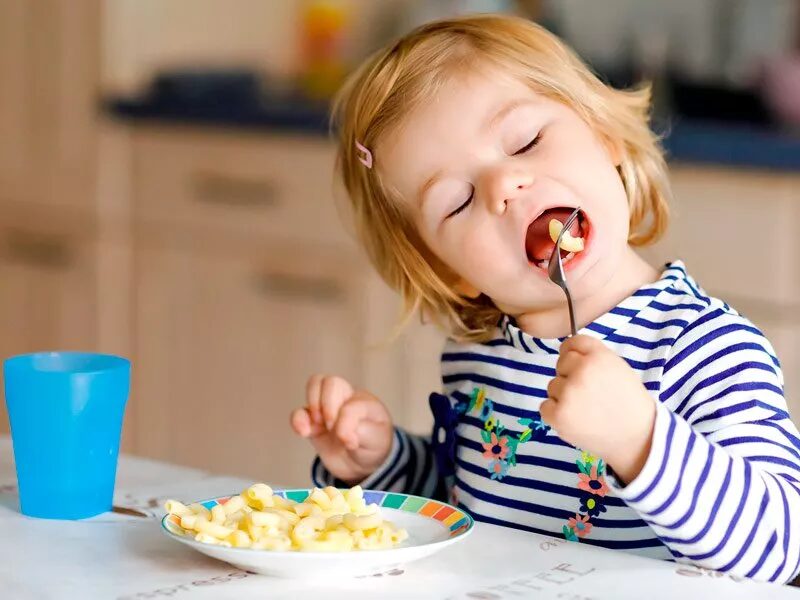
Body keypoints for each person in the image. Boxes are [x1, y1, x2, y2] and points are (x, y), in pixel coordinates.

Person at [290, 14, 800, 583]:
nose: (503, 186)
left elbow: (781, 549)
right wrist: (380, 463)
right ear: (449, 271)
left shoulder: (705, 347)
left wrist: (639, 439)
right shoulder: (476, 355)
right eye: (457, 202)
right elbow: (470, 513)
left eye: (527, 141)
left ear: (605, 136)